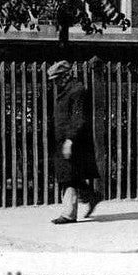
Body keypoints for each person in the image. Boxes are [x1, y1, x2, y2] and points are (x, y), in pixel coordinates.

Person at [48, 60, 101, 224]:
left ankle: (69, 214)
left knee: (68, 176)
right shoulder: (65, 91)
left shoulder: (77, 90)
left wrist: (70, 140)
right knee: (69, 174)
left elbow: (79, 119)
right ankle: (91, 196)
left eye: (57, 78)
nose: (55, 82)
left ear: (66, 75)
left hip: (74, 140)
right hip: (62, 139)